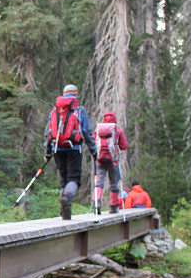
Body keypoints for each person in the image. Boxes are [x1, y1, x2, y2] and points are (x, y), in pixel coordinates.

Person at [45, 84, 96, 220]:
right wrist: (93, 150)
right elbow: (87, 131)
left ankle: (64, 210)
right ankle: (67, 199)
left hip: (57, 148)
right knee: (73, 178)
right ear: (75, 94)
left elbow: (48, 132)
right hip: (73, 148)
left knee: (64, 179)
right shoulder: (79, 110)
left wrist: (48, 152)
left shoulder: (55, 110)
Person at [93, 111, 129, 214]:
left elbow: (93, 141)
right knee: (114, 183)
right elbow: (124, 146)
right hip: (113, 161)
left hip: (100, 160)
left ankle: (97, 202)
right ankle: (113, 206)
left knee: (99, 183)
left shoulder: (98, 130)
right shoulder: (117, 131)